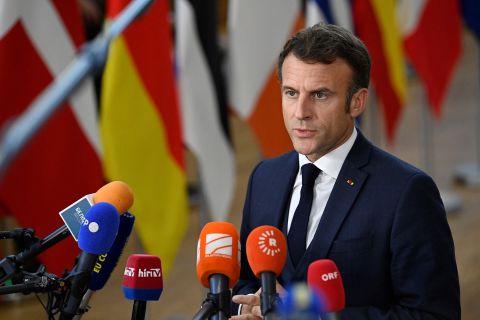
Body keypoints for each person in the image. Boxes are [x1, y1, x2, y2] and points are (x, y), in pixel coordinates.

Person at [231, 23, 460, 319]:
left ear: (357, 102)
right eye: (290, 92)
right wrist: (245, 306)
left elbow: (433, 314)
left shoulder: (407, 192)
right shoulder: (265, 177)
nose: (300, 111)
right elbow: (248, 278)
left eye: (320, 95)